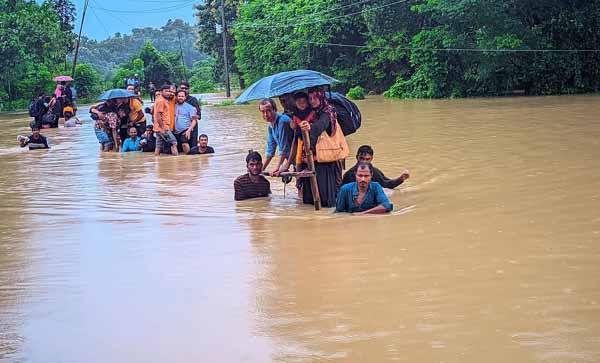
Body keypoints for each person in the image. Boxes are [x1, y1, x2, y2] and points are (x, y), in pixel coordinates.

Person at [298, 87, 343, 208]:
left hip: (325, 161)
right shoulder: (310, 112)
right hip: (310, 159)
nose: (312, 101)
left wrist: (309, 126)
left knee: (325, 200)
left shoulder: (328, 111)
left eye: (315, 98)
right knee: (309, 201)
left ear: (321, 97)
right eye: (310, 98)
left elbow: (320, 126)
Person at [341, 145, 410, 189]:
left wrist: (401, 178)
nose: (364, 162)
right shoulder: (349, 175)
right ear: (357, 157)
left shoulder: (375, 172)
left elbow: (387, 184)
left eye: (367, 159)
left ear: (371, 159)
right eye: (362, 158)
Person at [259, 98, 294, 176]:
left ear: (275, 109)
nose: (265, 114)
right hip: (292, 159)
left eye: (268, 111)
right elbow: (270, 150)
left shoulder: (283, 121)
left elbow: (283, 148)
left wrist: (277, 167)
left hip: (300, 157)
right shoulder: (271, 127)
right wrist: (261, 169)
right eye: (263, 112)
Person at [153, 84, 178, 156]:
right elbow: (158, 116)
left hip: (158, 128)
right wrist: (163, 128)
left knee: (158, 146)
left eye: (169, 91)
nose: (168, 93)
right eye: (166, 91)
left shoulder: (160, 100)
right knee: (174, 143)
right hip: (163, 127)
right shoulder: (161, 101)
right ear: (161, 92)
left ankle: (156, 159)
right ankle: (176, 161)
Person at [173, 90, 198, 154]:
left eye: (182, 96)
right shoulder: (173, 106)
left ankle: (188, 159)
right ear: (176, 97)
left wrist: (189, 130)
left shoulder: (190, 108)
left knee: (184, 144)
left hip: (185, 129)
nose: (180, 98)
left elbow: (194, 120)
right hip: (175, 130)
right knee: (174, 145)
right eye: (179, 96)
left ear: (185, 97)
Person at [179, 81, 201, 148]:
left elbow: (199, 116)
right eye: (182, 88)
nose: (184, 90)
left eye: (186, 88)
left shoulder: (193, 100)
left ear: (189, 89)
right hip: (180, 128)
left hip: (192, 128)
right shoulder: (176, 100)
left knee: (193, 147)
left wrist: (194, 116)